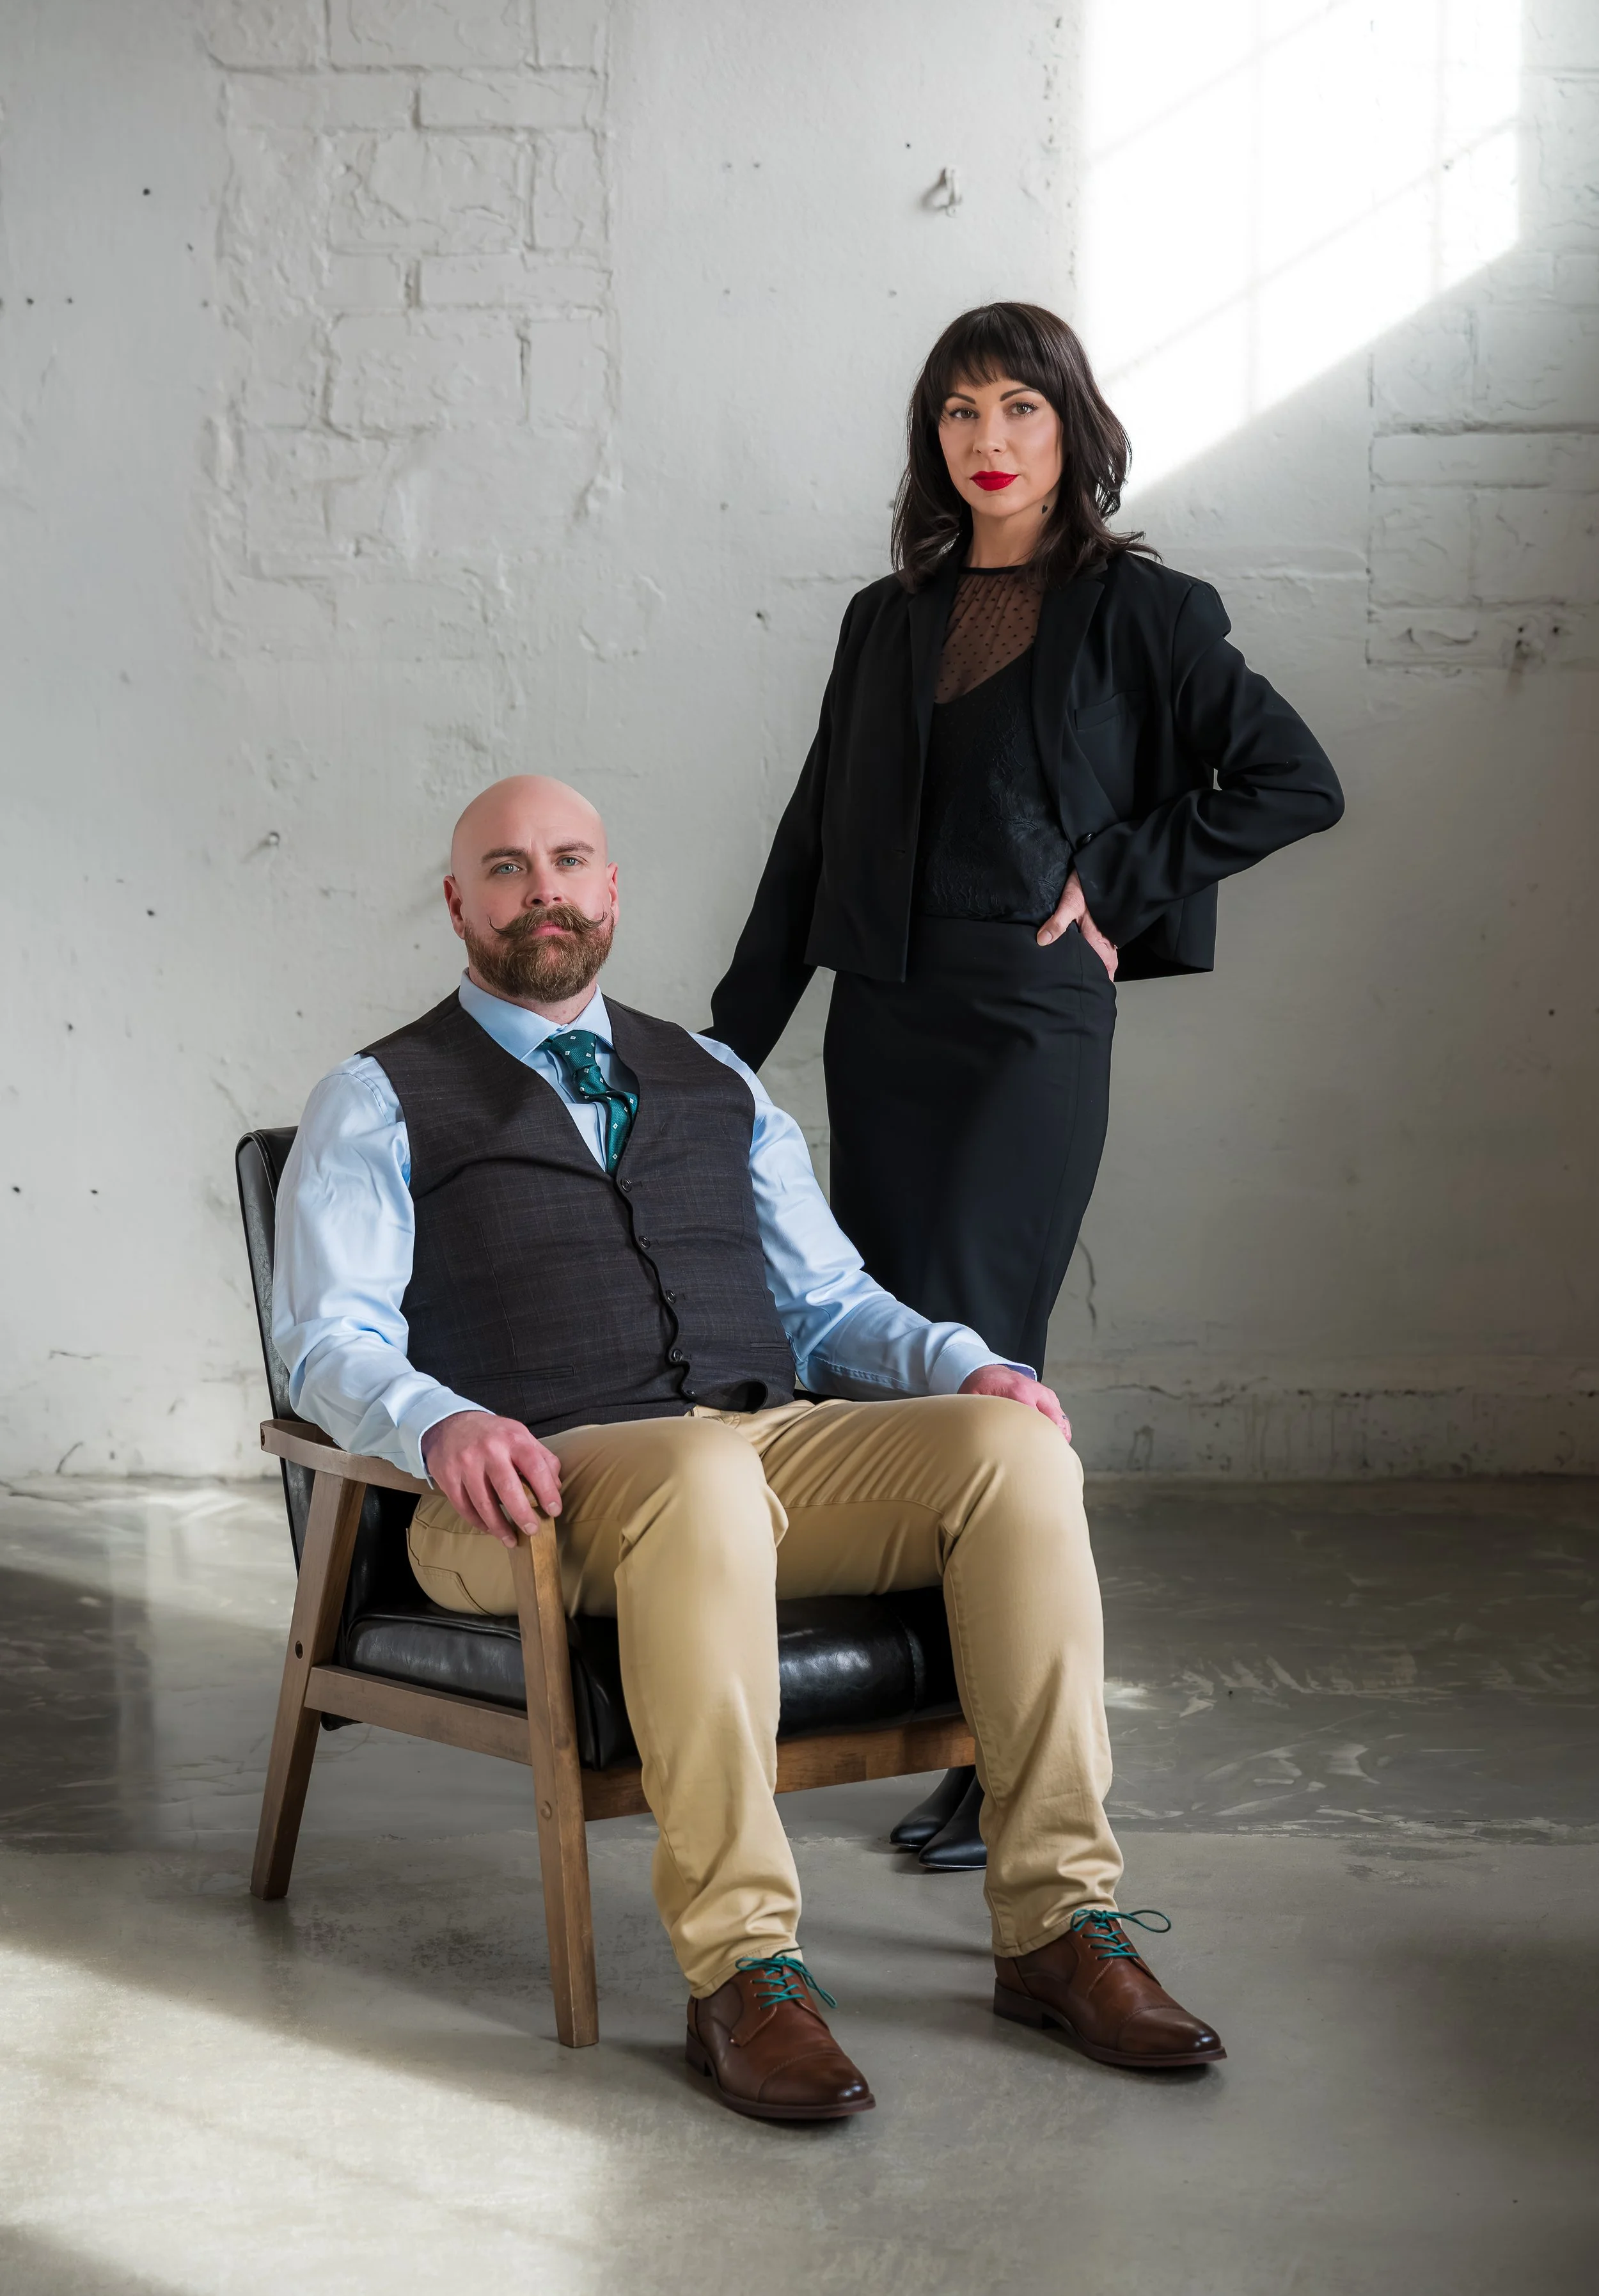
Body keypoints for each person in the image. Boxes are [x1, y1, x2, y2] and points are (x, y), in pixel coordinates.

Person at [273, 772, 1225, 2125]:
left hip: (747, 1453)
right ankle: (744, 1972)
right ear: (456, 904)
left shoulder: (712, 1076)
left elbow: (828, 1303)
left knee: (1006, 1456)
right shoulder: (378, 1098)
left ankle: (1057, 1925)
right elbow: (323, 1340)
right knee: (704, 1472)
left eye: (567, 861)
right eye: (503, 868)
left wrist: (968, 1364)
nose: (539, 887)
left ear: (609, 892)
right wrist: (443, 1421)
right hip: (515, 1495)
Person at [709, 301, 1344, 1871]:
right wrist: (722, 1047)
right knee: (898, 1365)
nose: (985, 444)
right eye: (956, 415)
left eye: (1016, 410)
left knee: (986, 1363)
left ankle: (1011, 1752)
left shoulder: (1144, 609)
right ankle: (954, 1723)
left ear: (1070, 426)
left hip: (1024, 1028)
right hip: (886, 1021)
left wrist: (1122, 878)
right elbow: (811, 839)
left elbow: (1290, 779)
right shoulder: (886, 617)